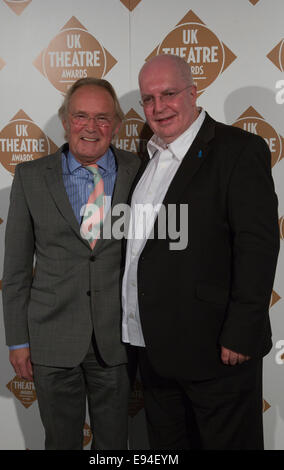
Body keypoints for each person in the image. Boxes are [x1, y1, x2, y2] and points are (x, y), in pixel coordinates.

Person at [122, 54, 279, 450]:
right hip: (155, 353)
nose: (158, 108)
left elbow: (257, 246)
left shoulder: (238, 150)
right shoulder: (150, 156)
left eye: (169, 94)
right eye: (148, 99)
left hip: (217, 352)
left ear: (193, 93)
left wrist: (242, 334)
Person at [2, 77, 140, 450]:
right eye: (81, 116)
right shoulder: (31, 177)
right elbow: (15, 272)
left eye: (102, 118)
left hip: (117, 342)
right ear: (65, 120)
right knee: (60, 443)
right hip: (51, 339)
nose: (91, 128)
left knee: (114, 446)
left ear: (117, 124)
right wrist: (17, 340)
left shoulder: (140, 171)